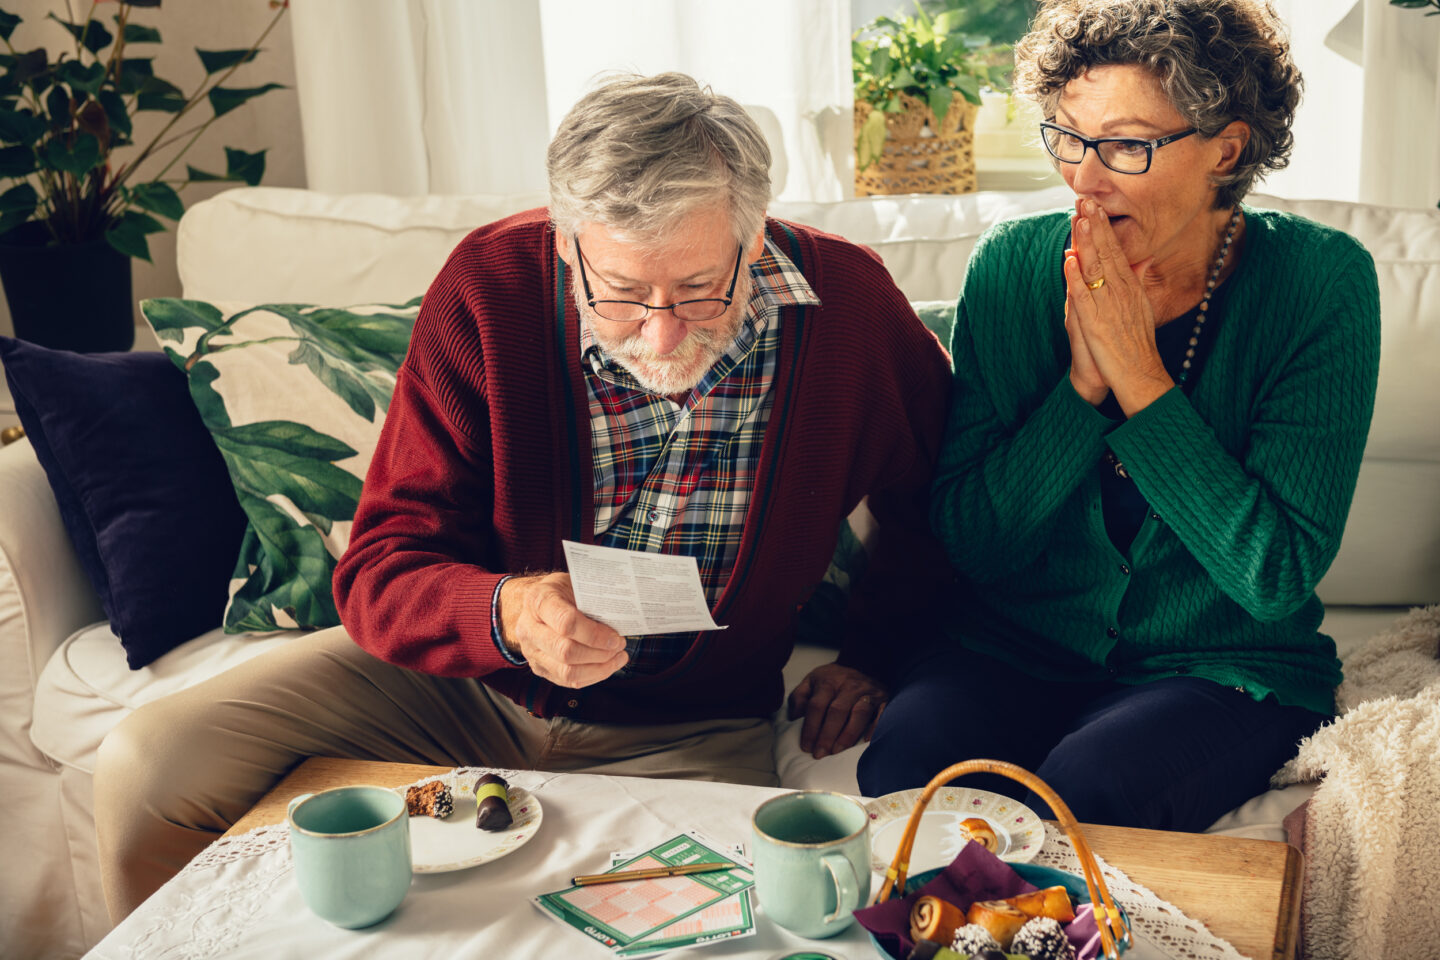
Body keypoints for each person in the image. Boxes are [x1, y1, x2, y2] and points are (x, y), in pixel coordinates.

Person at [93, 72, 952, 919]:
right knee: (148, 765)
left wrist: (873, 654)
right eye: (622, 294)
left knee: (696, 925)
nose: (661, 335)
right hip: (464, 687)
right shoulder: (490, 286)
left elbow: (936, 496)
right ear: (568, 242)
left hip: (696, 725)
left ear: (753, 236)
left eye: (699, 289)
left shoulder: (850, 309)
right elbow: (379, 567)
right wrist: (504, 612)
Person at [858, 0, 1381, 832]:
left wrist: (1138, 376)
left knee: (1084, 794)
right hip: (1014, 647)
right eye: (1068, 138)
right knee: (906, 770)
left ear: (1226, 149)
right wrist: (1080, 390)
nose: (1083, 178)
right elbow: (976, 543)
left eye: (1126, 145)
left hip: (1221, 666)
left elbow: (1274, 575)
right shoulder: (1012, 267)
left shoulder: (1321, 284)